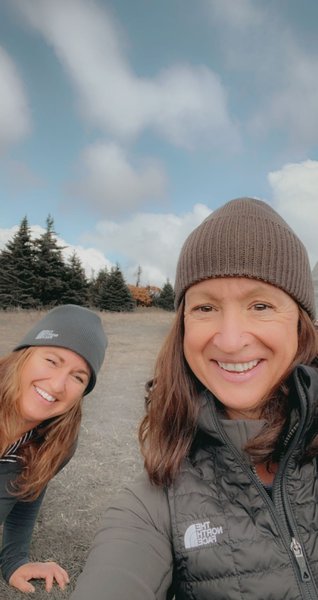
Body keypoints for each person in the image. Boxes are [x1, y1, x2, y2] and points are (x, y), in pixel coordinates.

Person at [71, 198, 318, 600]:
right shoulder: (152, 505)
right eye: (205, 307)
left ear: (301, 323)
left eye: (260, 305)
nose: (231, 339)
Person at [0, 303, 107, 594]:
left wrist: (14, 560)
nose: (59, 385)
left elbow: (28, 495)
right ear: (25, 355)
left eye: (78, 377)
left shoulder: (55, 442)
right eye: (52, 360)